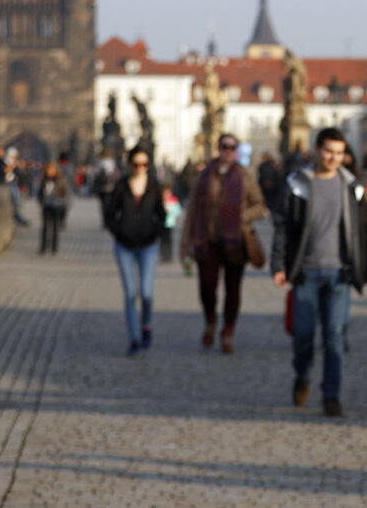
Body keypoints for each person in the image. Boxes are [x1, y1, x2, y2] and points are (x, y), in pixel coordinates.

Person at [271, 128, 367, 417]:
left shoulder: (352, 186)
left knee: (334, 335)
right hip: (306, 271)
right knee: (302, 334)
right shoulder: (298, 184)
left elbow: (360, 233)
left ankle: (331, 395)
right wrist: (280, 265)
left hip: (339, 272)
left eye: (339, 153)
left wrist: (360, 269)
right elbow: (282, 227)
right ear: (317, 149)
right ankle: (302, 374)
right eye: (328, 151)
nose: (333, 158)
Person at [180, 133, 266, 354]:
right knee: (207, 286)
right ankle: (210, 321)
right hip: (207, 240)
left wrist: (242, 217)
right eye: (224, 146)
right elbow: (191, 211)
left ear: (236, 150)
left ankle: (228, 332)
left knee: (233, 289)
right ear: (218, 148)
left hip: (235, 241)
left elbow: (259, 205)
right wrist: (184, 243)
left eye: (232, 147)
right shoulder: (204, 175)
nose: (228, 150)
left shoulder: (245, 177)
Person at [104, 145, 166, 356]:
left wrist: (155, 232)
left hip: (148, 245)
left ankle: (146, 325)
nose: (141, 168)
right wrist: (119, 232)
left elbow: (162, 215)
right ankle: (134, 338)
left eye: (145, 165)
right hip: (125, 246)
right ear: (130, 165)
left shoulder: (155, 186)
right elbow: (110, 214)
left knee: (146, 293)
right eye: (137, 164)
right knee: (130, 293)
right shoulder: (121, 186)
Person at [37, 161, 69, 254]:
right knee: (45, 227)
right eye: (48, 170)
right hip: (46, 206)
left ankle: (54, 248)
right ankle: (43, 248)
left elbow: (65, 193)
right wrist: (42, 202)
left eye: (52, 169)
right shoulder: (44, 180)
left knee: (55, 228)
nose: (50, 171)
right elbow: (39, 193)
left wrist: (61, 201)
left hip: (56, 206)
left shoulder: (60, 180)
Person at [160, 183, 182, 263]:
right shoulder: (161, 200)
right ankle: (163, 255)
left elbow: (178, 211)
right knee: (162, 240)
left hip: (170, 223)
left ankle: (169, 255)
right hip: (162, 223)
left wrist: (171, 212)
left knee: (168, 239)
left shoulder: (173, 200)